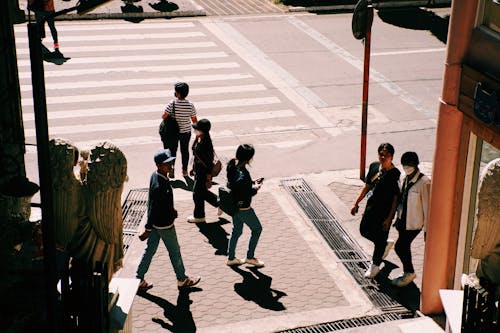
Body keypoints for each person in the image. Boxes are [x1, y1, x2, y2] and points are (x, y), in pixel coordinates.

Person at [136, 149, 201, 290]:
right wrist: (148, 228)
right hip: (164, 225)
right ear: (158, 165)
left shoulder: (155, 176)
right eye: (167, 164)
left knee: (150, 250)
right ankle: (182, 279)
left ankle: (138, 279)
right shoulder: (160, 185)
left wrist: (171, 210)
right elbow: (153, 207)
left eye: (171, 163)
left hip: (156, 224)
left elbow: (155, 202)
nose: (171, 166)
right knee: (175, 252)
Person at [351, 143, 400, 279]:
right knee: (364, 230)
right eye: (381, 154)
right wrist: (356, 203)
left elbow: (396, 199)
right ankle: (383, 245)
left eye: (386, 155)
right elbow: (366, 187)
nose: (383, 157)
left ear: (392, 157)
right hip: (371, 208)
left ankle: (375, 266)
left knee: (380, 239)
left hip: (384, 213)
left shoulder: (395, 174)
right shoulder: (374, 167)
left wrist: (389, 219)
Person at [391, 152, 430, 287]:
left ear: (416, 165)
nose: (406, 167)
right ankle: (407, 272)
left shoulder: (424, 182)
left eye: (409, 165)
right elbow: (402, 201)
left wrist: (427, 230)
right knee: (404, 246)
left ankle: (410, 272)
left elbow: (427, 207)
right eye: (404, 165)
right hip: (403, 220)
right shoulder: (404, 178)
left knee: (400, 246)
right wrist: (397, 218)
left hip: (414, 223)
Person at [226, 144, 264, 268]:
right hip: (244, 209)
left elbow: (236, 185)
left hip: (234, 207)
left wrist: (251, 183)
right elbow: (246, 191)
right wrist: (255, 188)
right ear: (249, 158)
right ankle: (250, 257)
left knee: (236, 231)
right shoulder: (244, 174)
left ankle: (231, 258)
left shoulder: (232, 166)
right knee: (257, 229)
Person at [161, 82, 198, 178]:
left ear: (178, 93)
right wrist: (197, 133)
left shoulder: (172, 103)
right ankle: (184, 171)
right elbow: (194, 120)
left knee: (172, 151)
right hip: (186, 132)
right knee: (184, 151)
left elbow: (164, 116)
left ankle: (172, 169)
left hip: (173, 132)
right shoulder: (190, 105)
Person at [187, 119, 219, 223]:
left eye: (196, 129)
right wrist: (193, 167)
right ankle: (221, 203)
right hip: (199, 171)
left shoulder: (206, 143)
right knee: (201, 193)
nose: (194, 130)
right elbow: (196, 155)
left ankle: (199, 216)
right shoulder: (200, 138)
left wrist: (209, 177)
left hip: (203, 173)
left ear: (202, 130)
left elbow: (208, 162)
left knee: (197, 194)